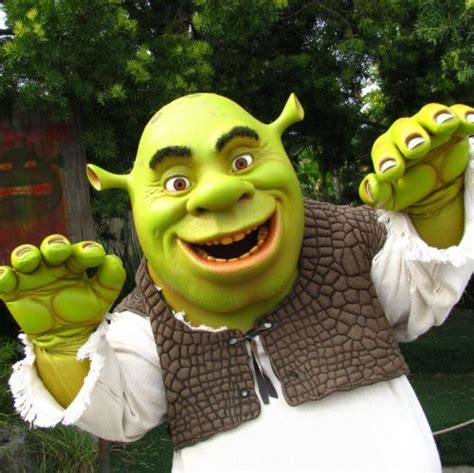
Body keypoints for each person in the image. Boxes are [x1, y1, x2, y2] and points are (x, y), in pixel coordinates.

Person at [2, 93, 473, 472]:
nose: (219, 191)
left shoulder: (349, 240)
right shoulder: (148, 314)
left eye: (242, 160)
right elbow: (122, 408)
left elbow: (419, 288)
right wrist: (64, 347)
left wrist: (436, 207)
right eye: (177, 183)